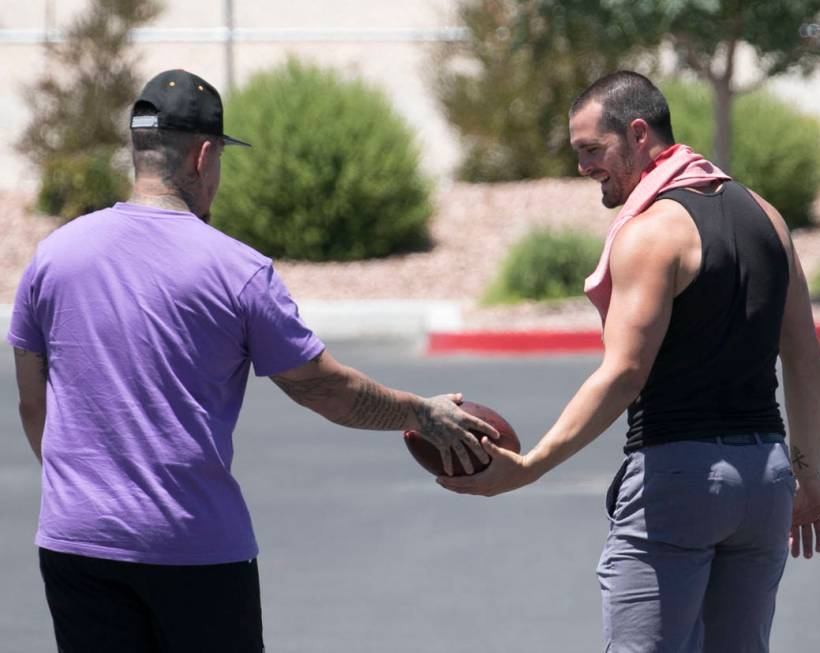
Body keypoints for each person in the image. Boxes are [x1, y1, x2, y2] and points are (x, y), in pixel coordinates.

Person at [8, 69, 497, 653]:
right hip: (192, 550)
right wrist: (422, 412)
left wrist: (85, 494)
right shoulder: (237, 271)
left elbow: (34, 403)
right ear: (204, 156)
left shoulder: (53, 258)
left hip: (75, 543)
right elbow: (325, 390)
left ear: (138, 150)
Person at [439, 71, 820, 652]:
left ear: (639, 133)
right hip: (765, 481)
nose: (584, 168)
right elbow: (803, 358)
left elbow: (626, 372)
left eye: (592, 150)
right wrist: (808, 473)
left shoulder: (653, 233)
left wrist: (532, 465)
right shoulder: (768, 218)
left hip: (680, 481)